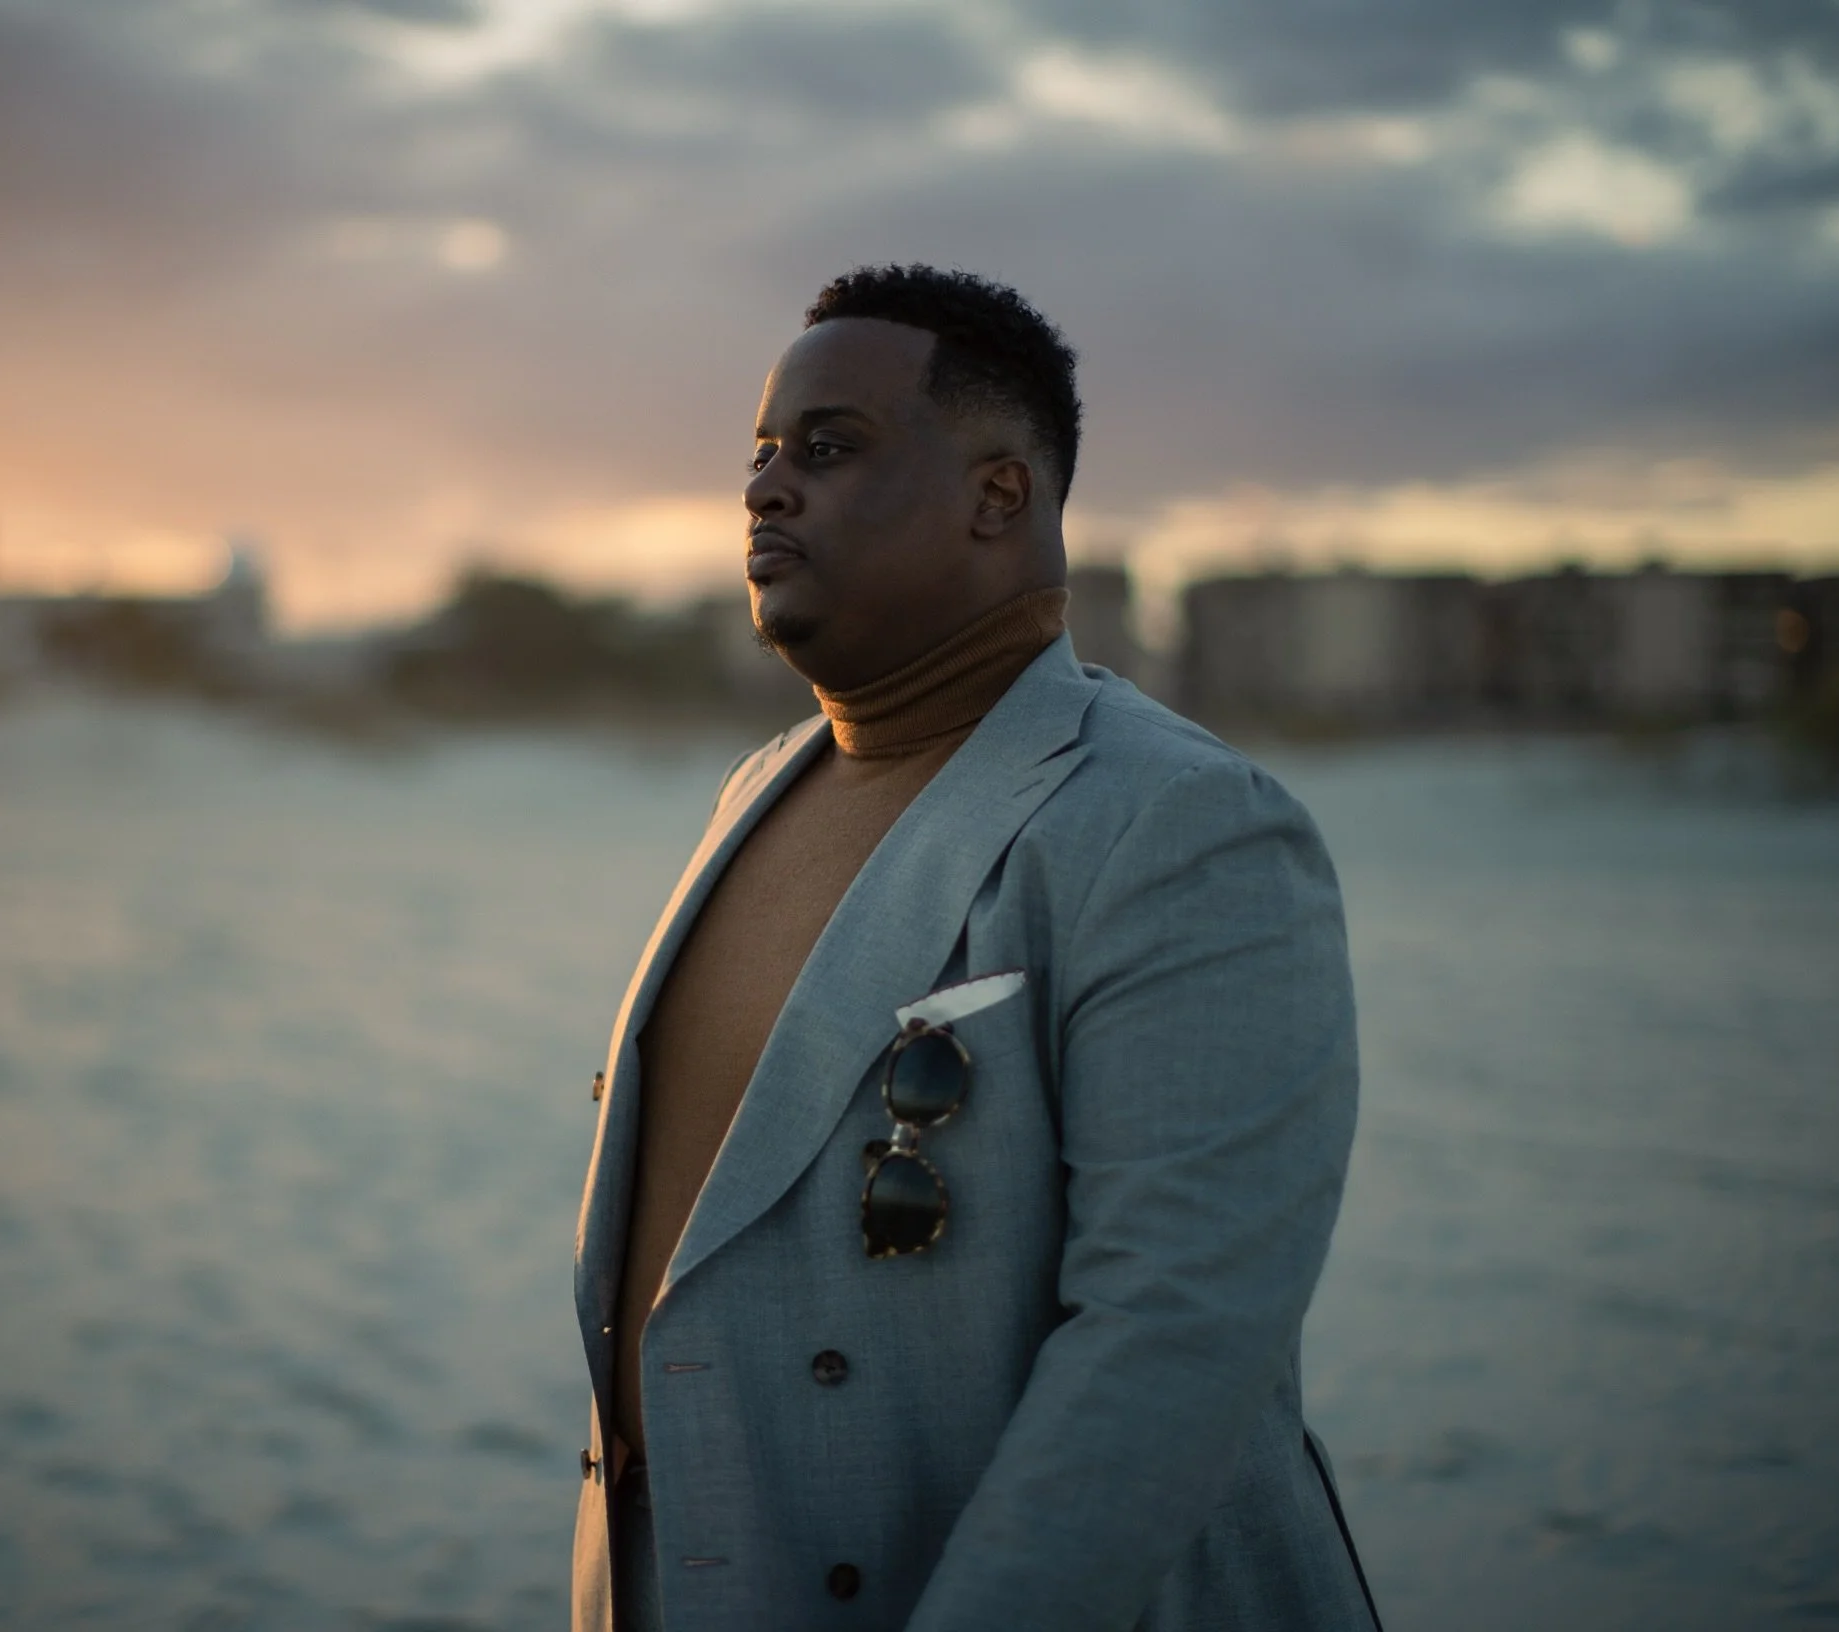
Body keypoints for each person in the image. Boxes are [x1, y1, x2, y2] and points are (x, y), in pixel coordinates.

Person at [569, 264, 1379, 1632]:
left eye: (829, 449)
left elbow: (1170, 1351)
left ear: (999, 496)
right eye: (761, 455)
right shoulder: (761, 785)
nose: (766, 491)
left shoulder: (1182, 823)